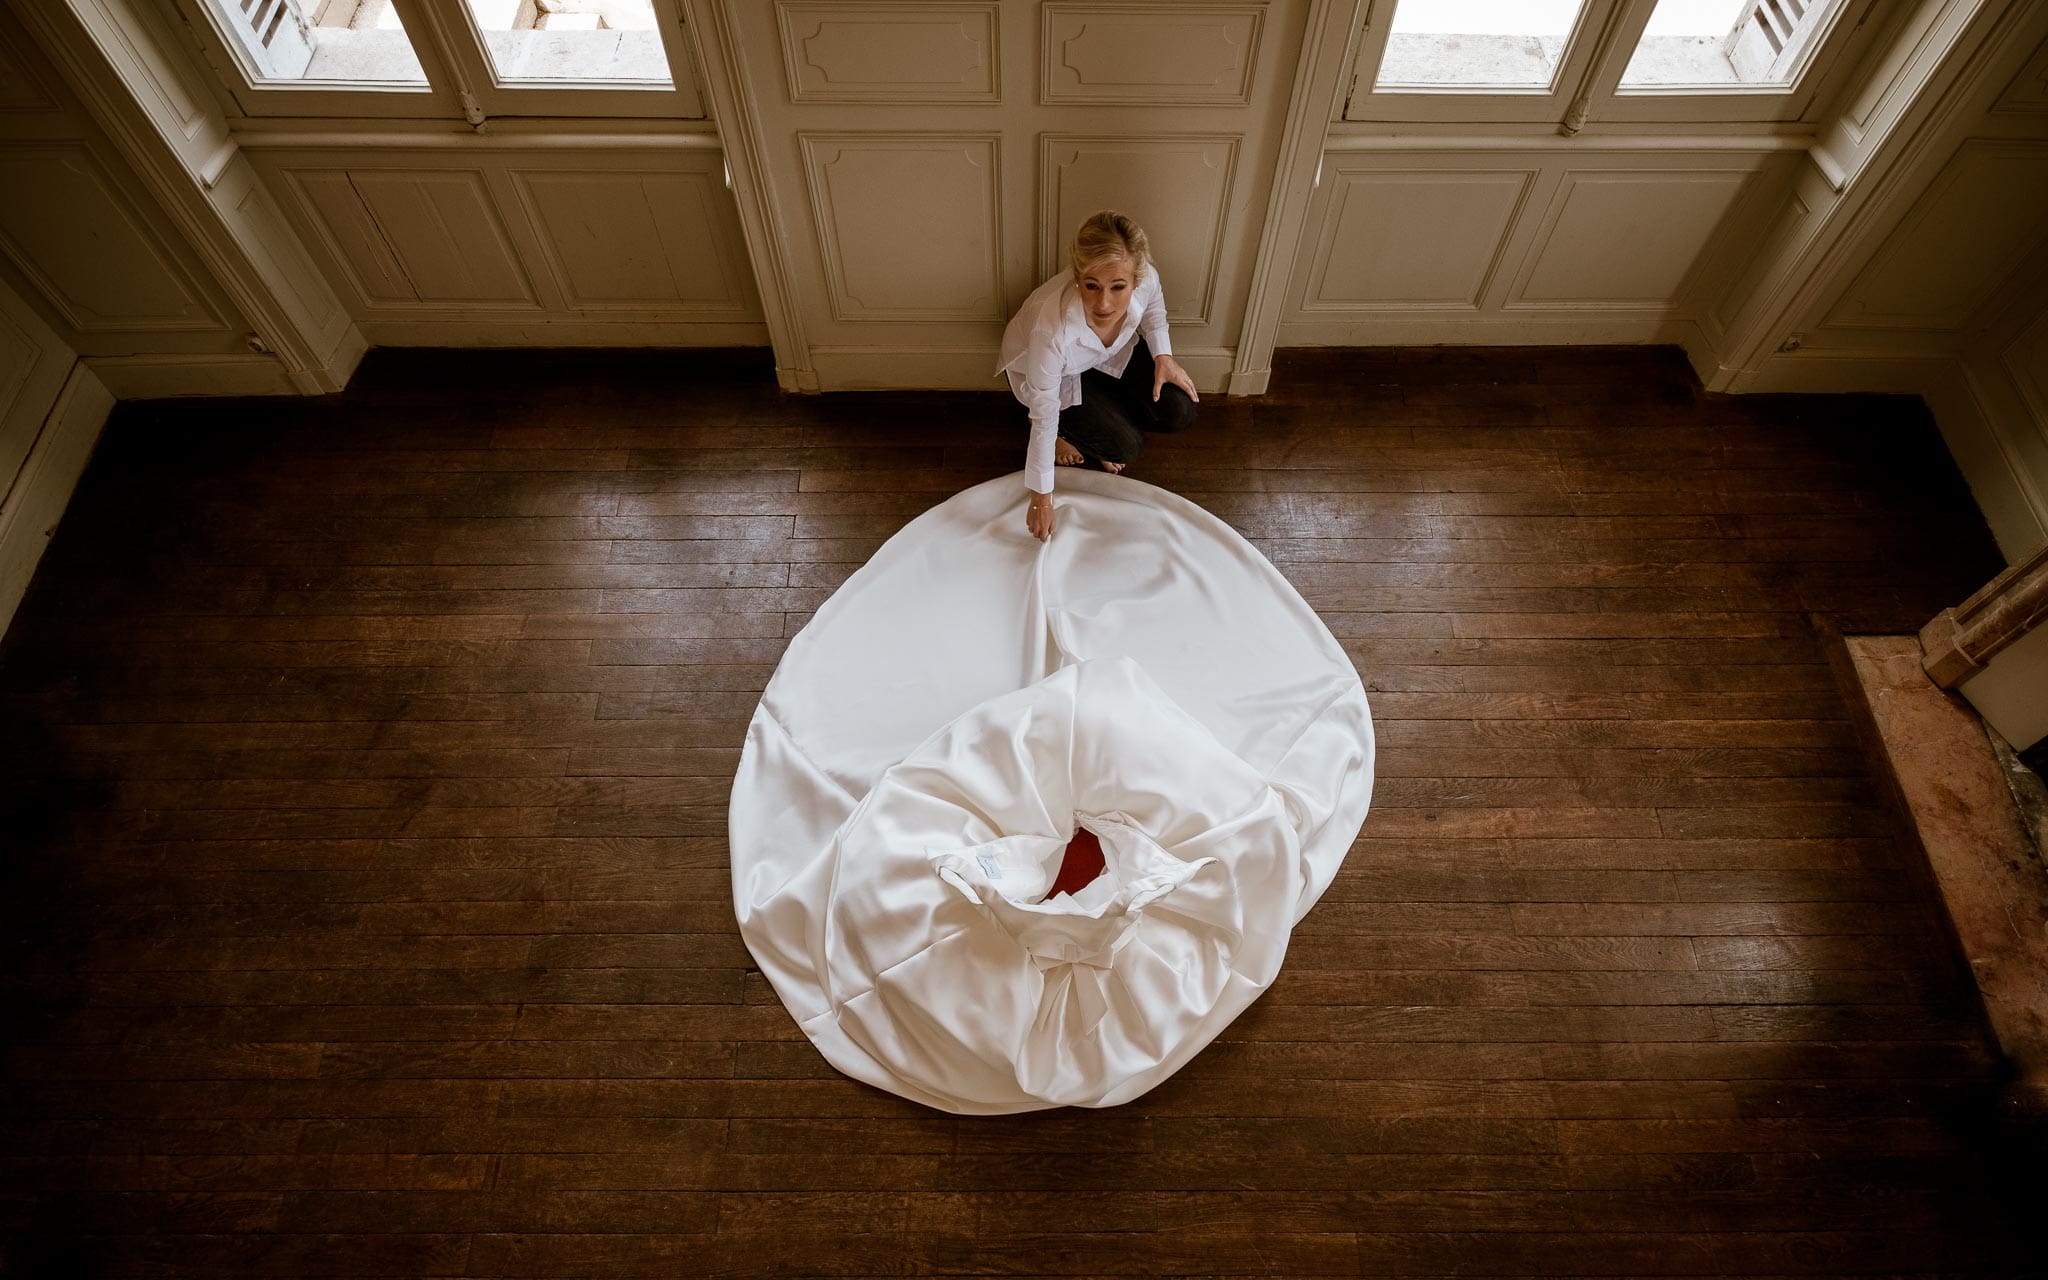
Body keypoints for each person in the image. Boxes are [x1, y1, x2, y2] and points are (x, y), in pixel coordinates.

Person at [996, 211, 1199, 541]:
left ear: (1136, 280)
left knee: (1180, 409)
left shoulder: (1147, 279)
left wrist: (1164, 356)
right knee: (1126, 446)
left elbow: (1154, 309)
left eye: (1118, 287)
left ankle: (1100, 420)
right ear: (1077, 277)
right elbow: (1045, 413)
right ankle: (1082, 430)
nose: (1104, 303)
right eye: (1092, 286)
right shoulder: (1050, 330)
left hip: (1105, 355)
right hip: (1050, 374)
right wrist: (1041, 500)